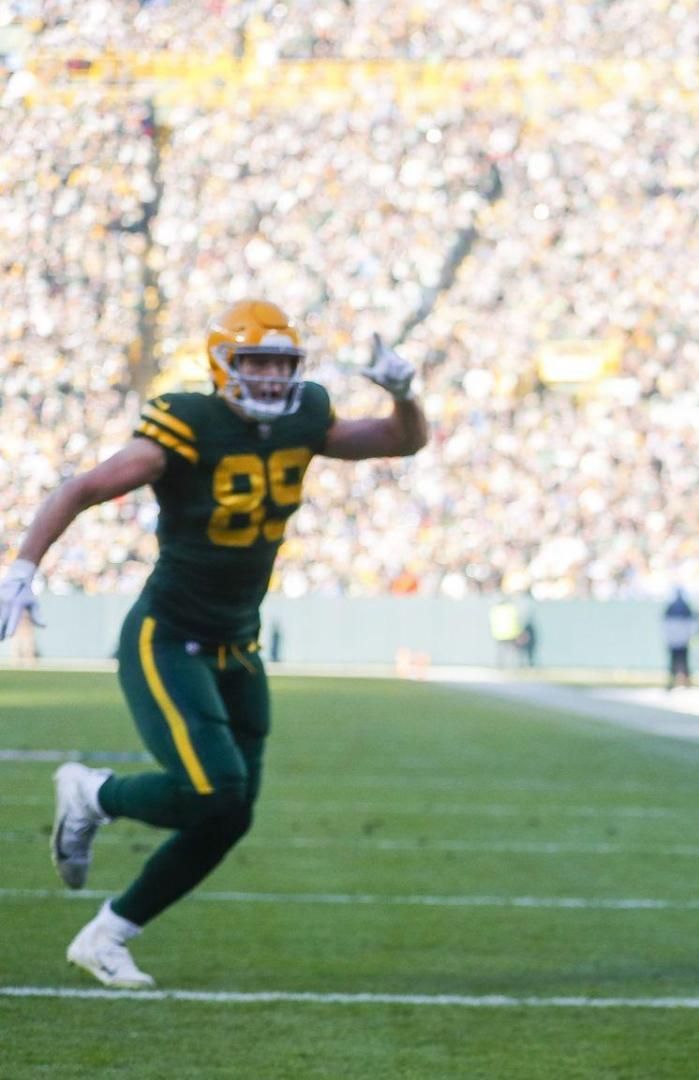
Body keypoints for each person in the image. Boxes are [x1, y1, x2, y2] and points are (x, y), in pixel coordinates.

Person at [0, 301, 428, 988]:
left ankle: (107, 935)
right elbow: (82, 488)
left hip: (238, 643)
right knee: (214, 790)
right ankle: (93, 795)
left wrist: (405, 394)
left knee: (229, 815)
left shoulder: (304, 415)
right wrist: (22, 567)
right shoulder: (189, 424)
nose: (268, 376)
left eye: (281, 363)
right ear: (221, 365)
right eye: (254, 361)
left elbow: (401, 442)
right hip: (167, 637)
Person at [662, 588, 697, 690]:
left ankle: (686, 683)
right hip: (675, 640)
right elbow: (667, 625)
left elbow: (690, 625)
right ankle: (672, 682)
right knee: (674, 662)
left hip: (682, 641)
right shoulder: (671, 608)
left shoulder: (685, 608)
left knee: (684, 662)